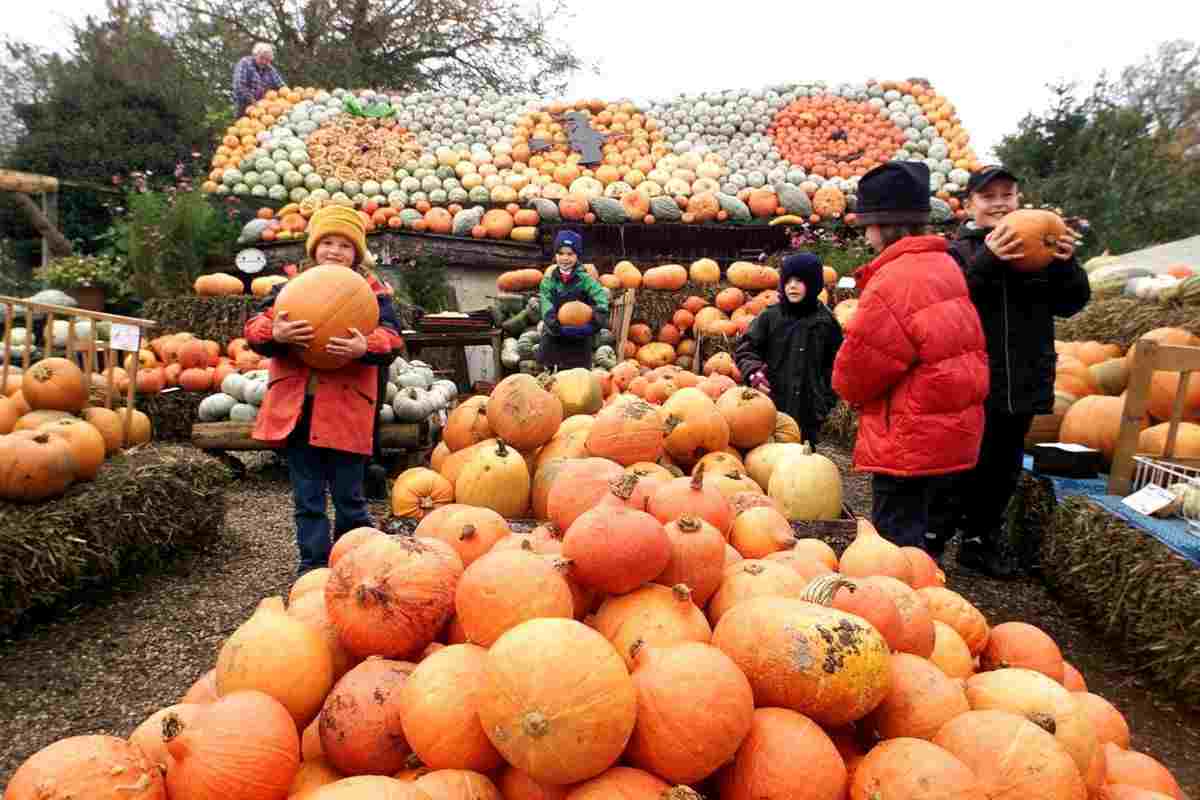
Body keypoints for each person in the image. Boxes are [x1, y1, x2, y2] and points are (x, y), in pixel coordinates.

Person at [927, 166, 1089, 576]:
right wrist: (990, 260)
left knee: (1003, 468)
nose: (999, 203)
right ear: (970, 205)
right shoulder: (958, 252)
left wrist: (1066, 267)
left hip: (1023, 377)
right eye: (988, 196)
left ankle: (981, 541)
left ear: (1018, 198)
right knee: (957, 466)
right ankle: (932, 541)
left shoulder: (1044, 250)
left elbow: (1071, 304)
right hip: (971, 379)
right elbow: (950, 300)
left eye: (1007, 194)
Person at [831, 162, 989, 550]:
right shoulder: (943, 264)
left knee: (894, 544)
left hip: (908, 436)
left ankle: (903, 602)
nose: (864, 234)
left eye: (866, 225)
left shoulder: (895, 279)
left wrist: (844, 387)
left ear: (881, 225)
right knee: (923, 537)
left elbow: (860, 370)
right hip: (947, 432)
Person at [244, 205, 402, 574]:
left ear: (356, 254)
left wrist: (367, 346)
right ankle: (312, 568)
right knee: (308, 497)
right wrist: (275, 333)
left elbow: (393, 339)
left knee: (350, 496)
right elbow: (254, 328)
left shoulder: (373, 296)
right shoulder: (290, 290)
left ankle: (356, 565)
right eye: (327, 242)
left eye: (345, 246)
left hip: (346, 412)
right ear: (314, 249)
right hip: (298, 411)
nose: (334, 251)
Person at [734, 252, 843, 445]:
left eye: (800, 280)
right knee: (772, 456)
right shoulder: (770, 317)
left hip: (809, 409)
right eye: (788, 280)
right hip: (773, 404)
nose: (792, 285)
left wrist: (826, 400)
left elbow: (836, 364)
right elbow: (746, 349)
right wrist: (753, 372)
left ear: (814, 284)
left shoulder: (826, 321)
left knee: (802, 464)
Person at [538, 230, 609, 371]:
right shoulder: (549, 281)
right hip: (556, 334)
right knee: (552, 373)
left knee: (578, 375)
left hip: (580, 335)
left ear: (577, 256)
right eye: (561, 253)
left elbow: (601, 298)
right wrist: (555, 325)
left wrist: (592, 324)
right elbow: (545, 303)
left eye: (570, 254)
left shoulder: (585, 279)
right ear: (555, 255)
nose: (565, 258)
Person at [233, 43, 285, 117]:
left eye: (267, 60)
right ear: (255, 55)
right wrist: (254, 102)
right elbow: (239, 86)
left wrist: (285, 98)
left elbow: (281, 87)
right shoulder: (245, 63)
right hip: (245, 110)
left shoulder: (270, 69)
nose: (264, 61)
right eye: (261, 58)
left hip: (266, 112)